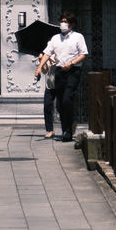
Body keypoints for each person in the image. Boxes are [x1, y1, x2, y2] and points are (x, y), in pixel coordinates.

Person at [35, 12, 88, 142]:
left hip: (73, 71)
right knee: (60, 103)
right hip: (58, 71)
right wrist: (39, 68)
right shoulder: (55, 38)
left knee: (66, 100)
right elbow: (47, 53)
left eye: (67, 22)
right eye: (62, 21)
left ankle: (67, 132)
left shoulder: (78, 37)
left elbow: (84, 54)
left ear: (72, 24)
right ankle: (66, 129)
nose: (63, 24)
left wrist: (71, 63)